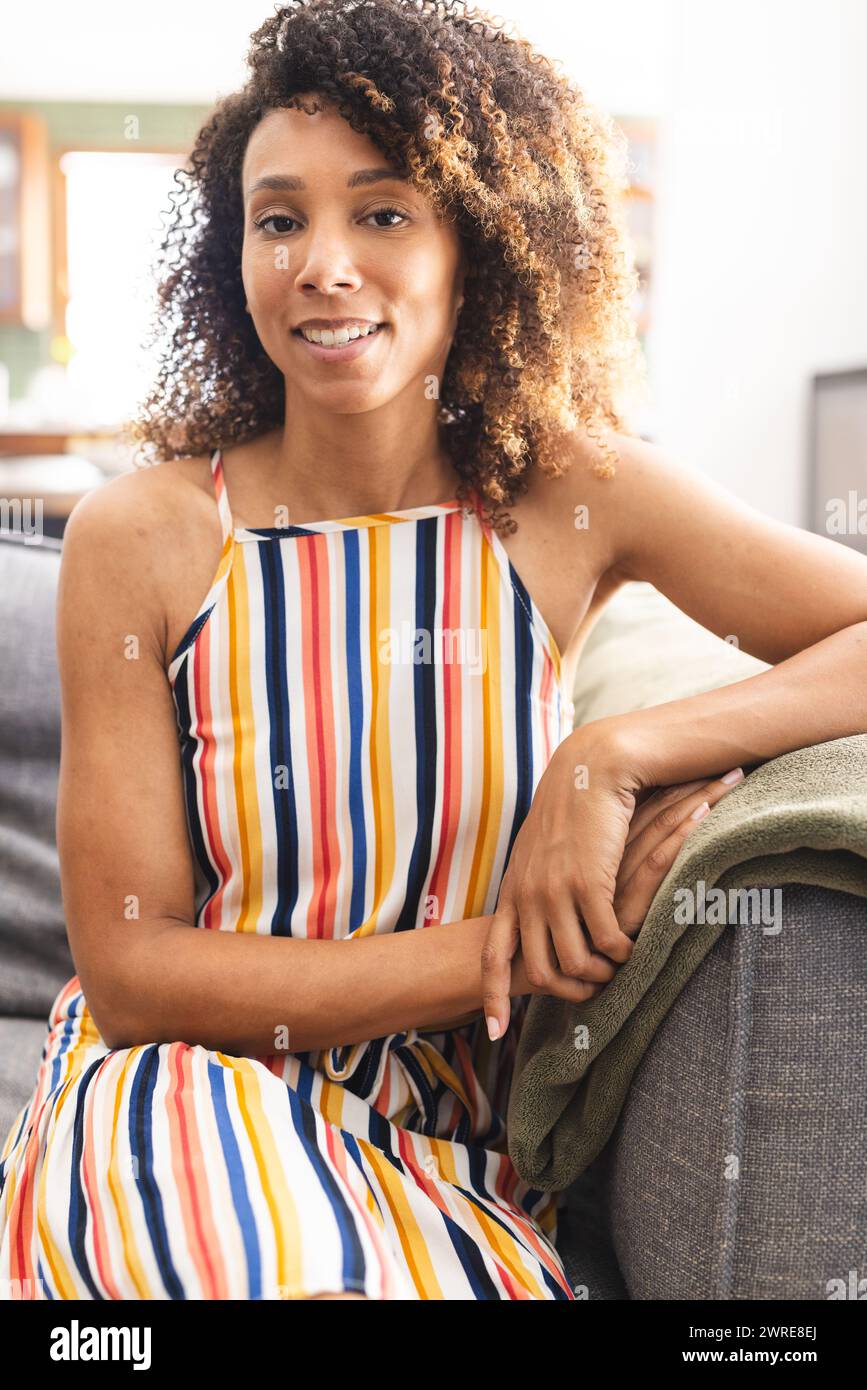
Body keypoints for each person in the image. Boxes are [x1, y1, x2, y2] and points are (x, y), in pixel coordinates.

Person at [2, 0, 866, 1301]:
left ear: (482, 242)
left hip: (454, 1142)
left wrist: (613, 753)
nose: (322, 264)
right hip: (180, 1094)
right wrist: (507, 954)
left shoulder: (571, 497)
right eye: (279, 219)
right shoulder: (142, 535)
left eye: (384, 212)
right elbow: (133, 973)